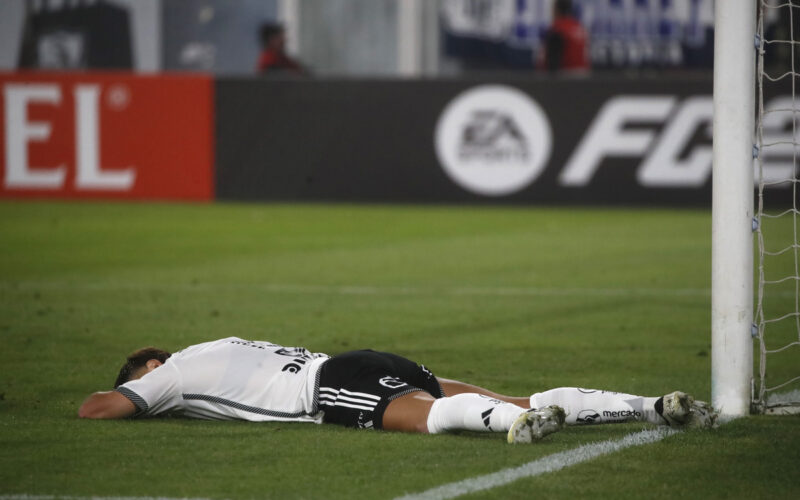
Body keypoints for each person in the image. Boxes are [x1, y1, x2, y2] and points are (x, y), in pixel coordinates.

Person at [78, 337, 717, 443]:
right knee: (519, 394)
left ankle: (509, 428)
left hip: (330, 387)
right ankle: (650, 407)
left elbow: (98, 409)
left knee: (427, 420)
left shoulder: (171, 373)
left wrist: (135, 395)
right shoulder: (216, 347)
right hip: (361, 357)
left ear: (148, 367)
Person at [540, 0, 590, 74]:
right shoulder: (580, 27)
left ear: (556, 10)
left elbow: (551, 63)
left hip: (565, 77)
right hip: (584, 75)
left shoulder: (557, 29)